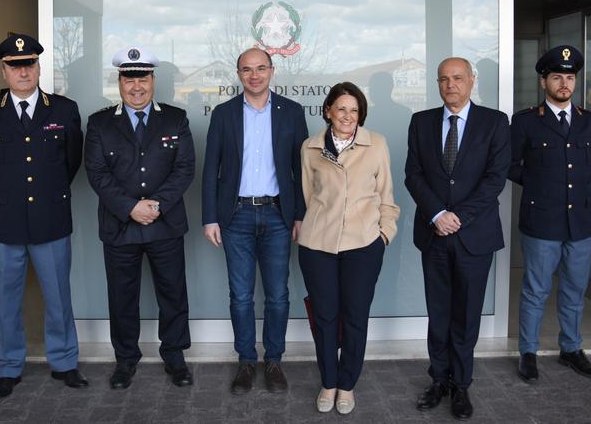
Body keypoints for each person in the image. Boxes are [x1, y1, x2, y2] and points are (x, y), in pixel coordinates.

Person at [0, 34, 86, 399]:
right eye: (15, 66)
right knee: (7, 299)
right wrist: (10, 195)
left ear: (38, 67)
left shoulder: (64, 110)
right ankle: (7, 367)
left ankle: (64, 362)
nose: (23, 72)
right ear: (3, 71)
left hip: (51, 219)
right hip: (7, 221)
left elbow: (71, 162)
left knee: (58, 297)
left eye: (29, 65)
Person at [404, 57, 510, 420]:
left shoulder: (495, 122)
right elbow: (413, 174)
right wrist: (437, 214)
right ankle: (439, 379)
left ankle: (461, 384)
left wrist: (458, 216)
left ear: (471, 81)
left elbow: (495, 178)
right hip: (433, 233)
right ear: (437, 83)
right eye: (444, 79)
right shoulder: (421, 122)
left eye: (458, 78)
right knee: (438, 313)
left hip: (474, 236)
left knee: (466, 315)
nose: (451, 85)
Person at [84, 46, 196, 389]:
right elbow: (97, 173)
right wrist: (130, 207)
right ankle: (125, 359)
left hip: (165, 224)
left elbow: (184, 168)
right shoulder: (100, 123)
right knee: (122, 297)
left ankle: (174, 356)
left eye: (143, 79)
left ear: (153, 80)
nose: (137, 87)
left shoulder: (175, 119)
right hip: (120, 226)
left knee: (173, 293)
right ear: (119, 82)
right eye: (129, 79)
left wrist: (156, 204)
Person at [201, 47, 309, 394]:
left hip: (278, 215)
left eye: (261, 68)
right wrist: (210, 217)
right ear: (239, 74)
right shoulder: (224, 114)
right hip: (236, 216)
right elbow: (210, 169)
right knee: (241, 295)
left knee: (278, 295)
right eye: (247, 70)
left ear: (272, 70)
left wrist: (300, 214)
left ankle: (274, 360)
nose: (254, 75)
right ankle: (246, 361)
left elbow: (301, 169)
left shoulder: (291, 112)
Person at [298, 82, 400, 415]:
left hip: (363, 244)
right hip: (318, 245)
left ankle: (347, 384)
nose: (347, 116)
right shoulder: (310, 148)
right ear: (328, 111)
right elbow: (308, 195)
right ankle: (328, 382)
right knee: (325, 317)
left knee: (355, 317)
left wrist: (383, 235)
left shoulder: (377, 144)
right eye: (341, 108)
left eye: (354, 110)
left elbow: (386, 195)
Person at [509, 45, 591, 382]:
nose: (564, 84)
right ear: (543, 82)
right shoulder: (525, 121)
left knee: (575, 290)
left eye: (570, 78)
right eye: (557, 77)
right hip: (541, 220)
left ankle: (571, 349)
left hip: (580, 221)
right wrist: (539, 183)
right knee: (536, 291)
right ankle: (528, 352)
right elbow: (510, 165)